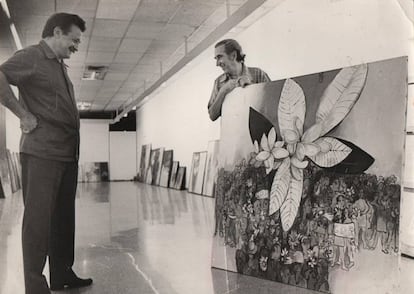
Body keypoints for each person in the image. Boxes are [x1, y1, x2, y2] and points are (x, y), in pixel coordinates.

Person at [0, 13, 92, 293]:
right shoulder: (32, 56)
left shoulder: (59, 66)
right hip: (42, 153)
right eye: (74, 40)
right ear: (56, 32)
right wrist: (22, 114)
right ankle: (36, 286)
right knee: (38, 222)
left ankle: (61, 273)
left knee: (63, 219)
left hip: (65, 154)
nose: (76, 46)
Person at [208, 39, 271, 121]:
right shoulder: (218, 82)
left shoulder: (258, 74)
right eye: (216, 58)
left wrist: (251, 88)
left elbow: (272, 105)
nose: (217, 64)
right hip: (232, 132)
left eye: (219, 57)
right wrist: (223, 91)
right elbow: (212, 116)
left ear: (233, 55)